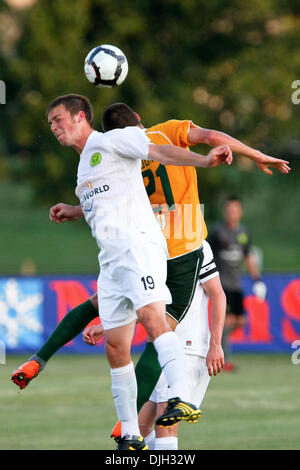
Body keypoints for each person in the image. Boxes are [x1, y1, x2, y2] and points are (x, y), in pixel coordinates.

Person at [12, 103, 290, 442]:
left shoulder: (113, 152)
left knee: (108, 316)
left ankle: (97, 400)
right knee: (159, 326)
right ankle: (158, 408)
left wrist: (73, 210)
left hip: (140, 251)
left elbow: (114, 199)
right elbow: (210, 136)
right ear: (138, 123)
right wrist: (255, 154)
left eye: (58, 120)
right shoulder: (158, 134)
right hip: (180, 249)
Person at [84, 239, 225, 450]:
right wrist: (107, 326)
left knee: (165, 426)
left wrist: (215, 344)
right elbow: (151, 307)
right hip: (163, 351)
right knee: (137, 431)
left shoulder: (195, 244)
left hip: (188, 347)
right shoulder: (152, 246)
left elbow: (218, 294)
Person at [208, 196, 267, 371]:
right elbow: (207, 254)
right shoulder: (217, 231)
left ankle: (213, 342)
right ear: (225, 212)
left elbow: (248, 257)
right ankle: (224, 359)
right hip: (221, 283)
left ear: (240, 212)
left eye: (235, 209)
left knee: (240, 321)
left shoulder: (244, 232)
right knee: (227, 320)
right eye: (229, 209)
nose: (232, 213)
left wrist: (257, 280)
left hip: (236, 284)